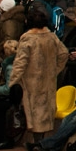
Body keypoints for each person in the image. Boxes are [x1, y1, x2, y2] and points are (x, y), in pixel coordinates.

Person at [9, 9, 69, 143]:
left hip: (31, 81)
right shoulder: (52, 37)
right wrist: (55, 70)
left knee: (34, 111)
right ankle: (39, 142)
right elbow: (64, 54)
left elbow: (20, 63)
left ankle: (38, 143)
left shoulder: (27, 39)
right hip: (48, 80)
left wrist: (13, 81)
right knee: (44, 111)